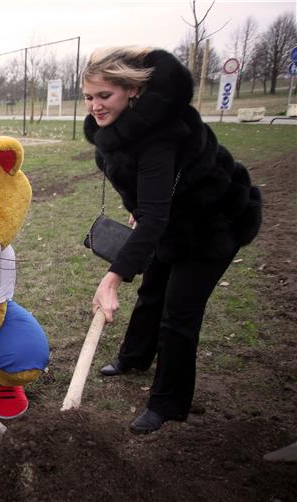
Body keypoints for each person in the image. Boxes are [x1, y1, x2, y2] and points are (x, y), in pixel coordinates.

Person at [82, 47, 261, 434]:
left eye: (105, 96)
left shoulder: (160, 136)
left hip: (214, 223)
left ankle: (167, 403)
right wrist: (140, 204)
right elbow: (150, 195)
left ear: (132, 91)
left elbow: (157, 213)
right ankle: (133, 358)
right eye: (89, 97)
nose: (95, 106)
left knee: (178, 315)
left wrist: (112, 278)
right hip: (173, 220)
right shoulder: (121, 127)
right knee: (152, 292)